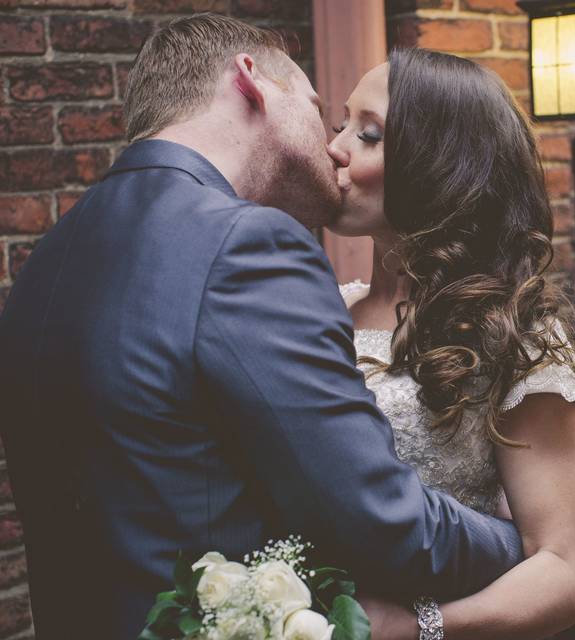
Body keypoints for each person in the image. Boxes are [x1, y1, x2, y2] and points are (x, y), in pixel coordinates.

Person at [0, 15, 523, 640]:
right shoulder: (246, 242)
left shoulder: (45, 264)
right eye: (319, 107)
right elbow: (379, 520)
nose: (333, 144)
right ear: (252, 82)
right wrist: (514, 544)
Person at [327, 48, 575, 639]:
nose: (336, 147)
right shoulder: (325, 307)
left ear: (438, 164)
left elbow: (561, 569)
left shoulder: (514, 333)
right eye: (341, 125)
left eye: (370, 133)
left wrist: (417, 627)